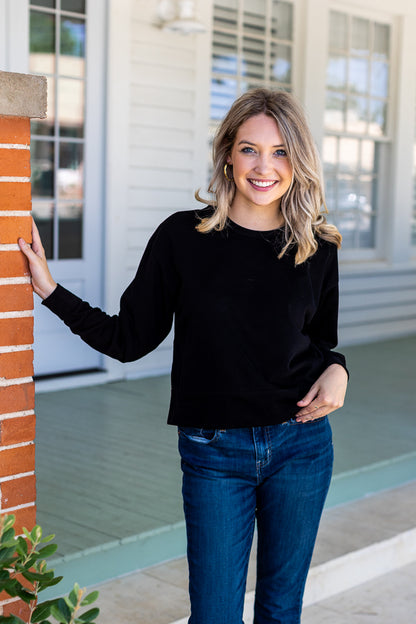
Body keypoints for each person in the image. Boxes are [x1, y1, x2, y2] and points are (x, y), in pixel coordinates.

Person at [19, 88, 348, 624]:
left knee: (281, 610)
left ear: (299, 161)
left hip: (302, 444)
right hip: (215, 453)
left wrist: (339, 371)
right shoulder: (183, 237)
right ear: (227, 154)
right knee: (214, 616)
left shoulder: (316, 245)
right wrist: (53, 292)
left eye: (281, 151)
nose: (264, 166)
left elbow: (319, 344)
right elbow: (127, 340)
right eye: (249, 149)